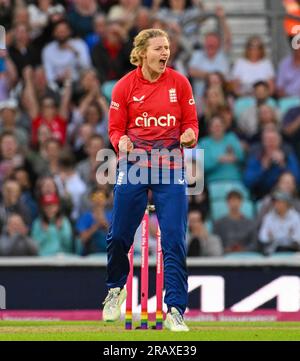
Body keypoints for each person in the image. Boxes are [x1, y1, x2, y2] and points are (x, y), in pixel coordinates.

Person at [102, 29, 198, 332]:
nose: (165, 53)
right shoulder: (124, 87)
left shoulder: (179, 83)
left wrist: (190, 135)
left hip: (170, 168)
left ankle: (174, 310)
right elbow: (115, 129)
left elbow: (192, 123)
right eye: (158, 48)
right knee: (119, 234)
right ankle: (116, 288)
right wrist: (122, 143)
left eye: (167, 48)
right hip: (134, 166)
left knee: (173, 240)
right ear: (143, 52)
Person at [258, 191, 300, 255]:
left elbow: (297, 237)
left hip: (291, 250)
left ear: (287, 203)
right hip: (273, 250)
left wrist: (275, 237)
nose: (276, 204)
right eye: (275, 202)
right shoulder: (268, 217)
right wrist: (287, 236)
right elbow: (262, 237)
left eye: (280, 202)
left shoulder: (295, 217)